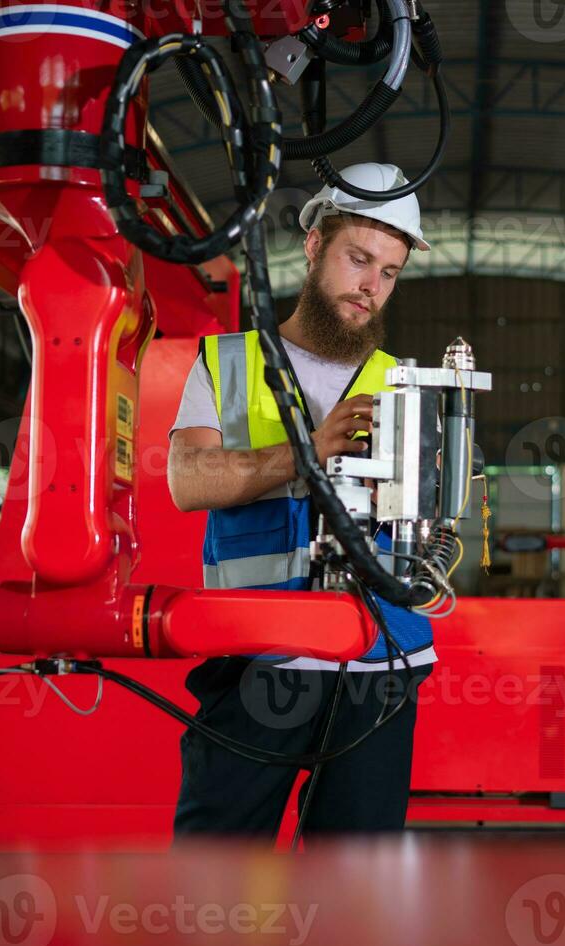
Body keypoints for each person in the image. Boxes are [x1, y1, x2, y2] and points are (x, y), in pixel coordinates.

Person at [167, 162, 436, 840]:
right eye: (359, 259)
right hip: (256, 656)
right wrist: (309, 452)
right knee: (216, 866)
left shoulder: (403, 384)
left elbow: (434, 530)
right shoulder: (227, 364)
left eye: (389, 272)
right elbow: (188, 479)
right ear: (314, 244)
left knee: (357, 882)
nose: (371, 287)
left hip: (377, 661)